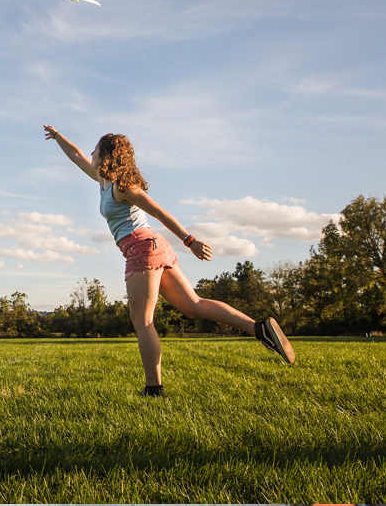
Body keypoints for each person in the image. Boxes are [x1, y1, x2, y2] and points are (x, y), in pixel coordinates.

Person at [43, 125, 295, 397]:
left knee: (144, 322)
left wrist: (190, 241)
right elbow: (76, 156)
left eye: (96, 148)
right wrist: (57, 136)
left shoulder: (124, 188)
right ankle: (259, 328)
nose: (90, 151)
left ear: (106, 156)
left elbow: (160, 212)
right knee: (194, 305)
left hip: (142, 249)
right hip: (152, 246)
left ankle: (154, 390)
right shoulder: (103, 180)